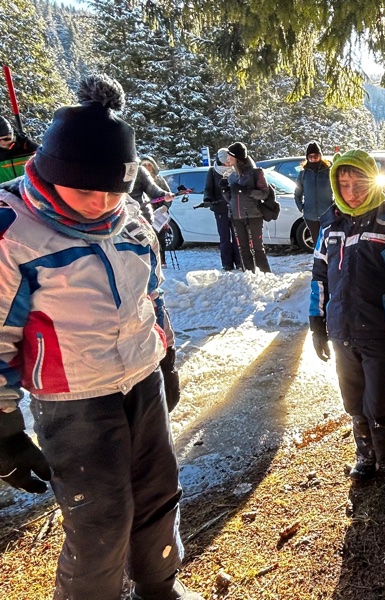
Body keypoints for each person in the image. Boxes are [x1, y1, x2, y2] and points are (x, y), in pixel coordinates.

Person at [0, 74, 201, 600]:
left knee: (158, 492)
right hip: (74, 398)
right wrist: (2, 426)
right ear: (51, 173)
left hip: (141, 378)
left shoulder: (129, 217)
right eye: (85, 189)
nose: (100, 203)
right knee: (100, 520)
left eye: (113, 189)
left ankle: (159, 586)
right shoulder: (14, 231)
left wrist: (166, 359)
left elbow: (152, 294)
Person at [309, 149, 385, 495]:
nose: (352, 193)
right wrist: (317, 325)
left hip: (379, 330)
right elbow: (319, 279)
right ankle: (367, 455)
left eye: (358, 184)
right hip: (341, 331)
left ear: (371, 181)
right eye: (344, 185)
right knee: (354, 400)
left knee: (382, 402)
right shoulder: (330, 226)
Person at [224, 141, 271, 273]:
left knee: (257, 248)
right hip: (236, 216)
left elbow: (264, 194)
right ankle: (249, 275)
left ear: (237, 157)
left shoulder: (256, 173)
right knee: (243, 248)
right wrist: (225, 191)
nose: (228, 159)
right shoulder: (232, 176)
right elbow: (231, 200)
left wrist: (246, 191)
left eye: (230, 156)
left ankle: (266, 275)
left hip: (254, 215)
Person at [202, 148, 242, 271]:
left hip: (235, 208)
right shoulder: (213, 171)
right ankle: (227, 263)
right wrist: (207, 199)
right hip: (220, 209)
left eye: (229, 160)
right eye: (226, 161)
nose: (228, 163)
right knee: (224, 237)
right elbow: (208, 188)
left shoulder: (236, 170)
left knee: (237, 236)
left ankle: (239, 262)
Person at [294, 140, 333, 245]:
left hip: (327, 214)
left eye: (316, 156)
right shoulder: (303, 174)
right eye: (310, 157)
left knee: (329, 242)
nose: (313, 159)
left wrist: (333, 207)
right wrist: (302, 208)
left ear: (320, 156)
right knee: (317, 243)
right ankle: (318, 256)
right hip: (310, 216)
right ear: (307, 158)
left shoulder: (328, 172)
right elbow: (297, 194)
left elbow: (336, 191)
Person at [141, 155, 174, 265]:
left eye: (149, 165)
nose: (147, 167)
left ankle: (161, 259)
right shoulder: (138, 180)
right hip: (143, 213)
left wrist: (165, 206)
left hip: (159, 212)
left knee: (160, 238)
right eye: (144, 165)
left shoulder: (159, 180)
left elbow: (168, 195)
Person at [0, 116, 38, 183]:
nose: (2, 143)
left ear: (12, 134)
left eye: (6, 139)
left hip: (28, 187)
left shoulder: (29, 148)